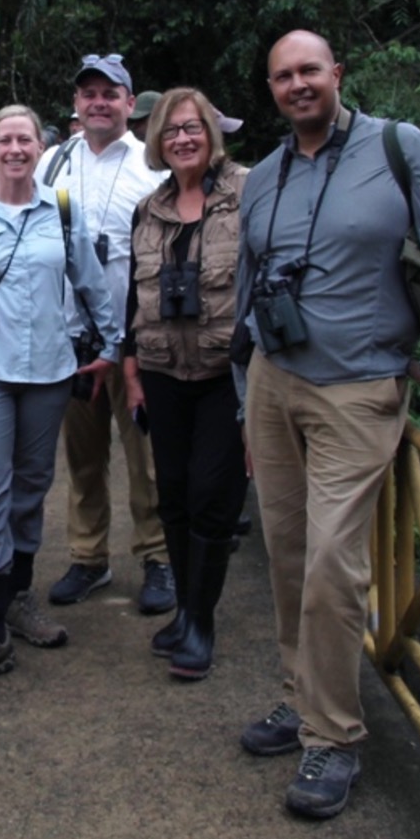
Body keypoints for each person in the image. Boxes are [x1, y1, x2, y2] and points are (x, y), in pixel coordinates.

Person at [234, 30, 420, 817]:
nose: (298, 84)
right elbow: (247, 287)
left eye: (310, 70)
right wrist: (247, 394)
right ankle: (303, 698)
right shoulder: (264, 175)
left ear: (337, 73)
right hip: (275, 384)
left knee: (335, 564)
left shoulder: (400, 148)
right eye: (283, 76)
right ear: (270, 88)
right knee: (288, 552)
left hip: (359, 388)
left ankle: (333, 738)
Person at [0, 104, 122, 690]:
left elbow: (89, 279)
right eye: (4, 139)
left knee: (31, 489)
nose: (15, 148)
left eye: (25, 139)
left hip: (50, 373)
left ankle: (16, 598)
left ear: (43, 147)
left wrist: (112, 343)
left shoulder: (61, 209)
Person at [35, 54, 173, 614]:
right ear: (75, 104)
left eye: (109, 93)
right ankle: (88, 558)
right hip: (70, 338)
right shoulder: (50, 162)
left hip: (137, 338)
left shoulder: (153, 162)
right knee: (82, 457)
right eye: (87, 93)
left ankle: (158, 558)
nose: (97, 102)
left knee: (147, 457)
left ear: (128, 101)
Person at [122, 88, 249, 680]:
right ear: (157, 140)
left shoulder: (248, 194)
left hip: (225, 372)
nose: (182, 139)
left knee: (210, 496)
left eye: (193, 127)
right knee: (170, 492)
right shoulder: (148, 210)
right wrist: (130, 370)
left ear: (211, 132)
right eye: (171, 131)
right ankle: (183, 612)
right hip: (161, 371)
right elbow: (132, 297)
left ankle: (202, 621)